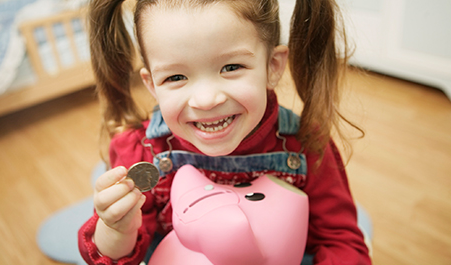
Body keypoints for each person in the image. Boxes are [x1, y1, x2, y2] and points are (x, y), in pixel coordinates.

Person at [78, 0, 371, 264]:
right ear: (152, 84)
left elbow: (341, 242)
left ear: (272, 66)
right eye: (176, 77)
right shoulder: (142, 150)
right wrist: (117, 229)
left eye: (231, 67)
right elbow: (114, 256)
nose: (206, 100)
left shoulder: (304, 145)